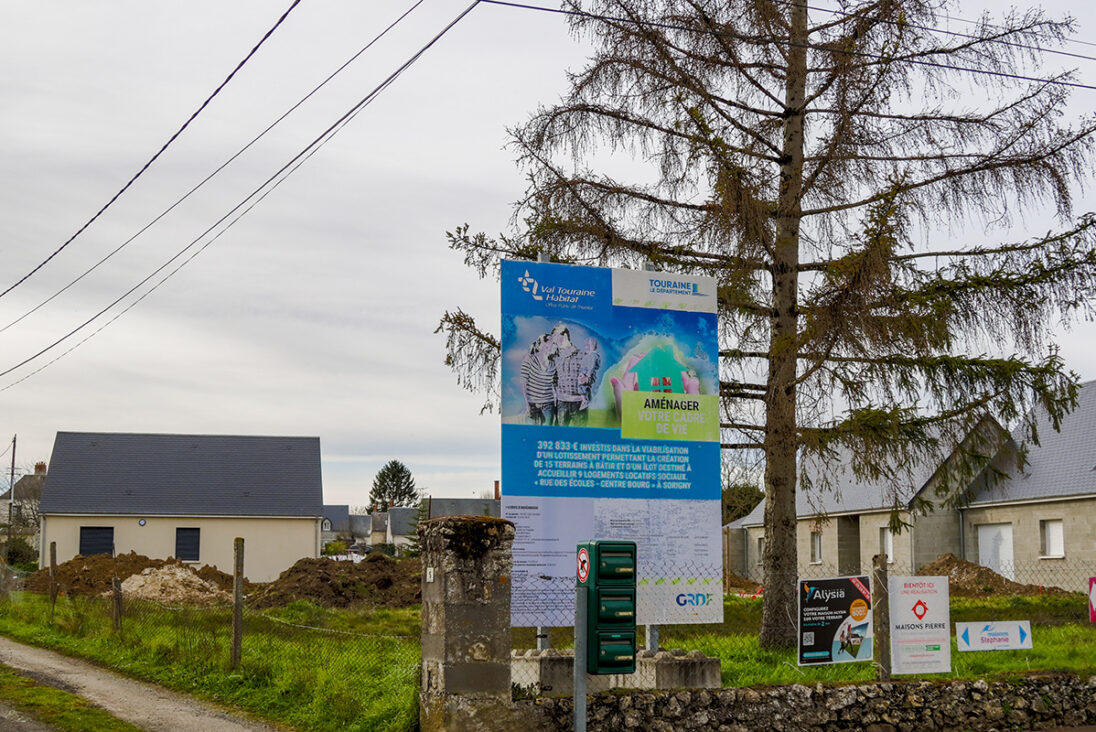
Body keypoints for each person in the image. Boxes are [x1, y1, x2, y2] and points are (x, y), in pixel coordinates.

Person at [520, 334, 559, 425]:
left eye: (553, 344)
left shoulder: (553, 364)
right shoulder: (529, 359)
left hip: (548, 405)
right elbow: (523, 383)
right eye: (550, 344)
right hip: (532, 404)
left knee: (546, 434)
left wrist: (556, 404)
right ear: (541, 345)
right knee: (532, 433)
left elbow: (555, 385)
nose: (552, 346)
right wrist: (527, 404)